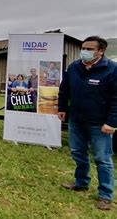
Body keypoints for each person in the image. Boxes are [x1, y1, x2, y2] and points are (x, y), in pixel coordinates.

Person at [58, 36, 116, 211]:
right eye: (84, 48)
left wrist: (111, 122)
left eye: (90, 49)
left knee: (102, 158)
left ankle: (105, 195)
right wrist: (62, 107)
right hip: (77, 120)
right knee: (78, 153)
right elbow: (64, 88)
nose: (85, 51)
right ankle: (81, 183)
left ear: (101, 51)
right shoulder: (75, 67)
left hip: (100, 124)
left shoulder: (111, 70)